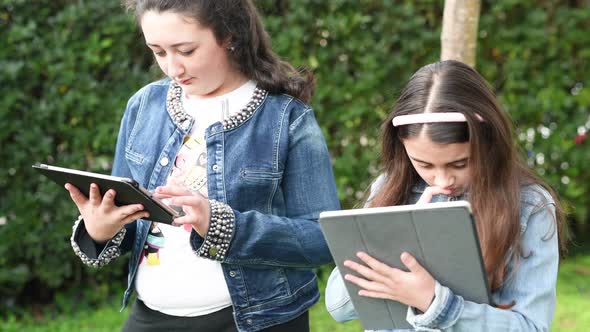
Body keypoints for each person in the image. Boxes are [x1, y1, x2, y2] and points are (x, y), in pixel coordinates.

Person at [65, 1, 340, 331]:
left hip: (258, 319)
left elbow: (322, 239)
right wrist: (100, 230)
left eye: (186, 50)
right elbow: (128, 214)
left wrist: (223, 225)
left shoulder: (286, 118)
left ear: (229, 36)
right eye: (159, 52)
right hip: (152, 316)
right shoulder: (143, 106)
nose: (173, 69)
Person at [325, 60, 567, 331]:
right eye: (424, 164)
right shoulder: (388, 189)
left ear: (488, 142)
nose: (442, 180)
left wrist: (435, 303)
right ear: (402, 148)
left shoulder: (530, 206)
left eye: (459, 164)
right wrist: (398, 234)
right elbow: (337, 307)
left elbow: (532, 327)